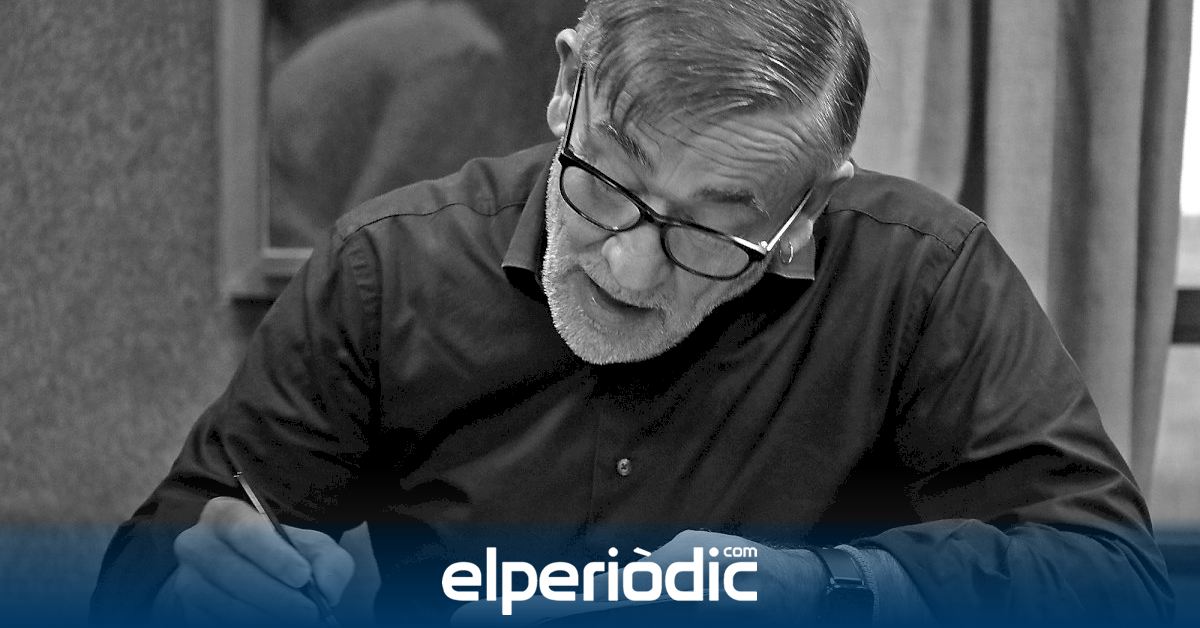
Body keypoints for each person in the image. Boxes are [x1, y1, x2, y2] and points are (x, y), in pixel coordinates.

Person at [92, 0, 1174, 625]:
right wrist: (201, 589)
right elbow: (140, 577)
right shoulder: (388, 269)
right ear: (569, 85)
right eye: (607, 182)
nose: (627, 267)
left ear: (809, 205)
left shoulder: (921, 279)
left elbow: (1115, 580)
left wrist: (826, 589)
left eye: (714, 229)